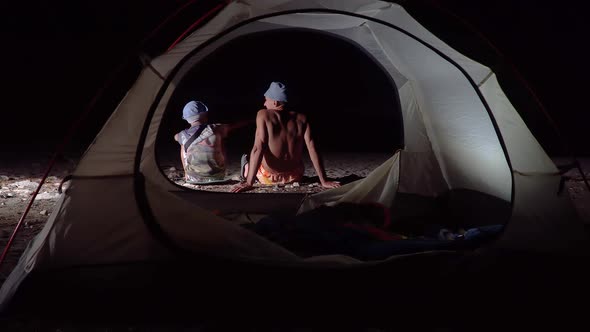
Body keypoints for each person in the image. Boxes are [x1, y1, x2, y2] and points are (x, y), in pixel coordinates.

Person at [231, 82, 340, 193]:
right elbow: (313, 149)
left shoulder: (263, 114)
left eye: (266, 99)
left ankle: (245, 168)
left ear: (275, 101)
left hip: (268, 178)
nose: (264, 104)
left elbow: (258, 148)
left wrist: (250, 183)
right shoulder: (302, 118)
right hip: (295, 176)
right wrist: (324, 181)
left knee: (248, 158)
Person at [174, 100, 250, 184]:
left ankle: (187, 174)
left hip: (193, 179)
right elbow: (234, 125)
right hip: (217, 177)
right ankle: (220, 170)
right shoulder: (217, 128)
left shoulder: (181, 135)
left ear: (187, 119)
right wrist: (251, 120)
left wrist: (180, 137)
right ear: (204, 115)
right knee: (221, 139)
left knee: (183, 144)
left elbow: (176, 137)